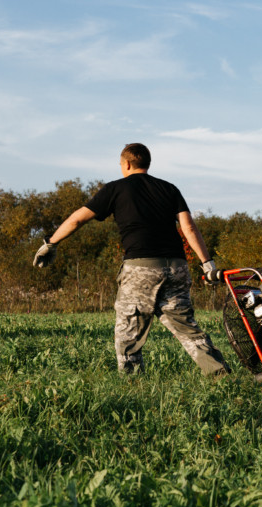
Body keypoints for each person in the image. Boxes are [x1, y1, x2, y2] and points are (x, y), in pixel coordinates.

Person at [33, 143, 231, 377]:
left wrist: (51, 243)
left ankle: (132, 383)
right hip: (177, 267)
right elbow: (188, 227)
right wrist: (207, 264)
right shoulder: (170, 189)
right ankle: (220, 375)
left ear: (126, 164)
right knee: (187, 328)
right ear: (147, 163)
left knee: (129, 331)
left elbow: (77, 220)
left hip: (141, 269)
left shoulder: (116, 189)